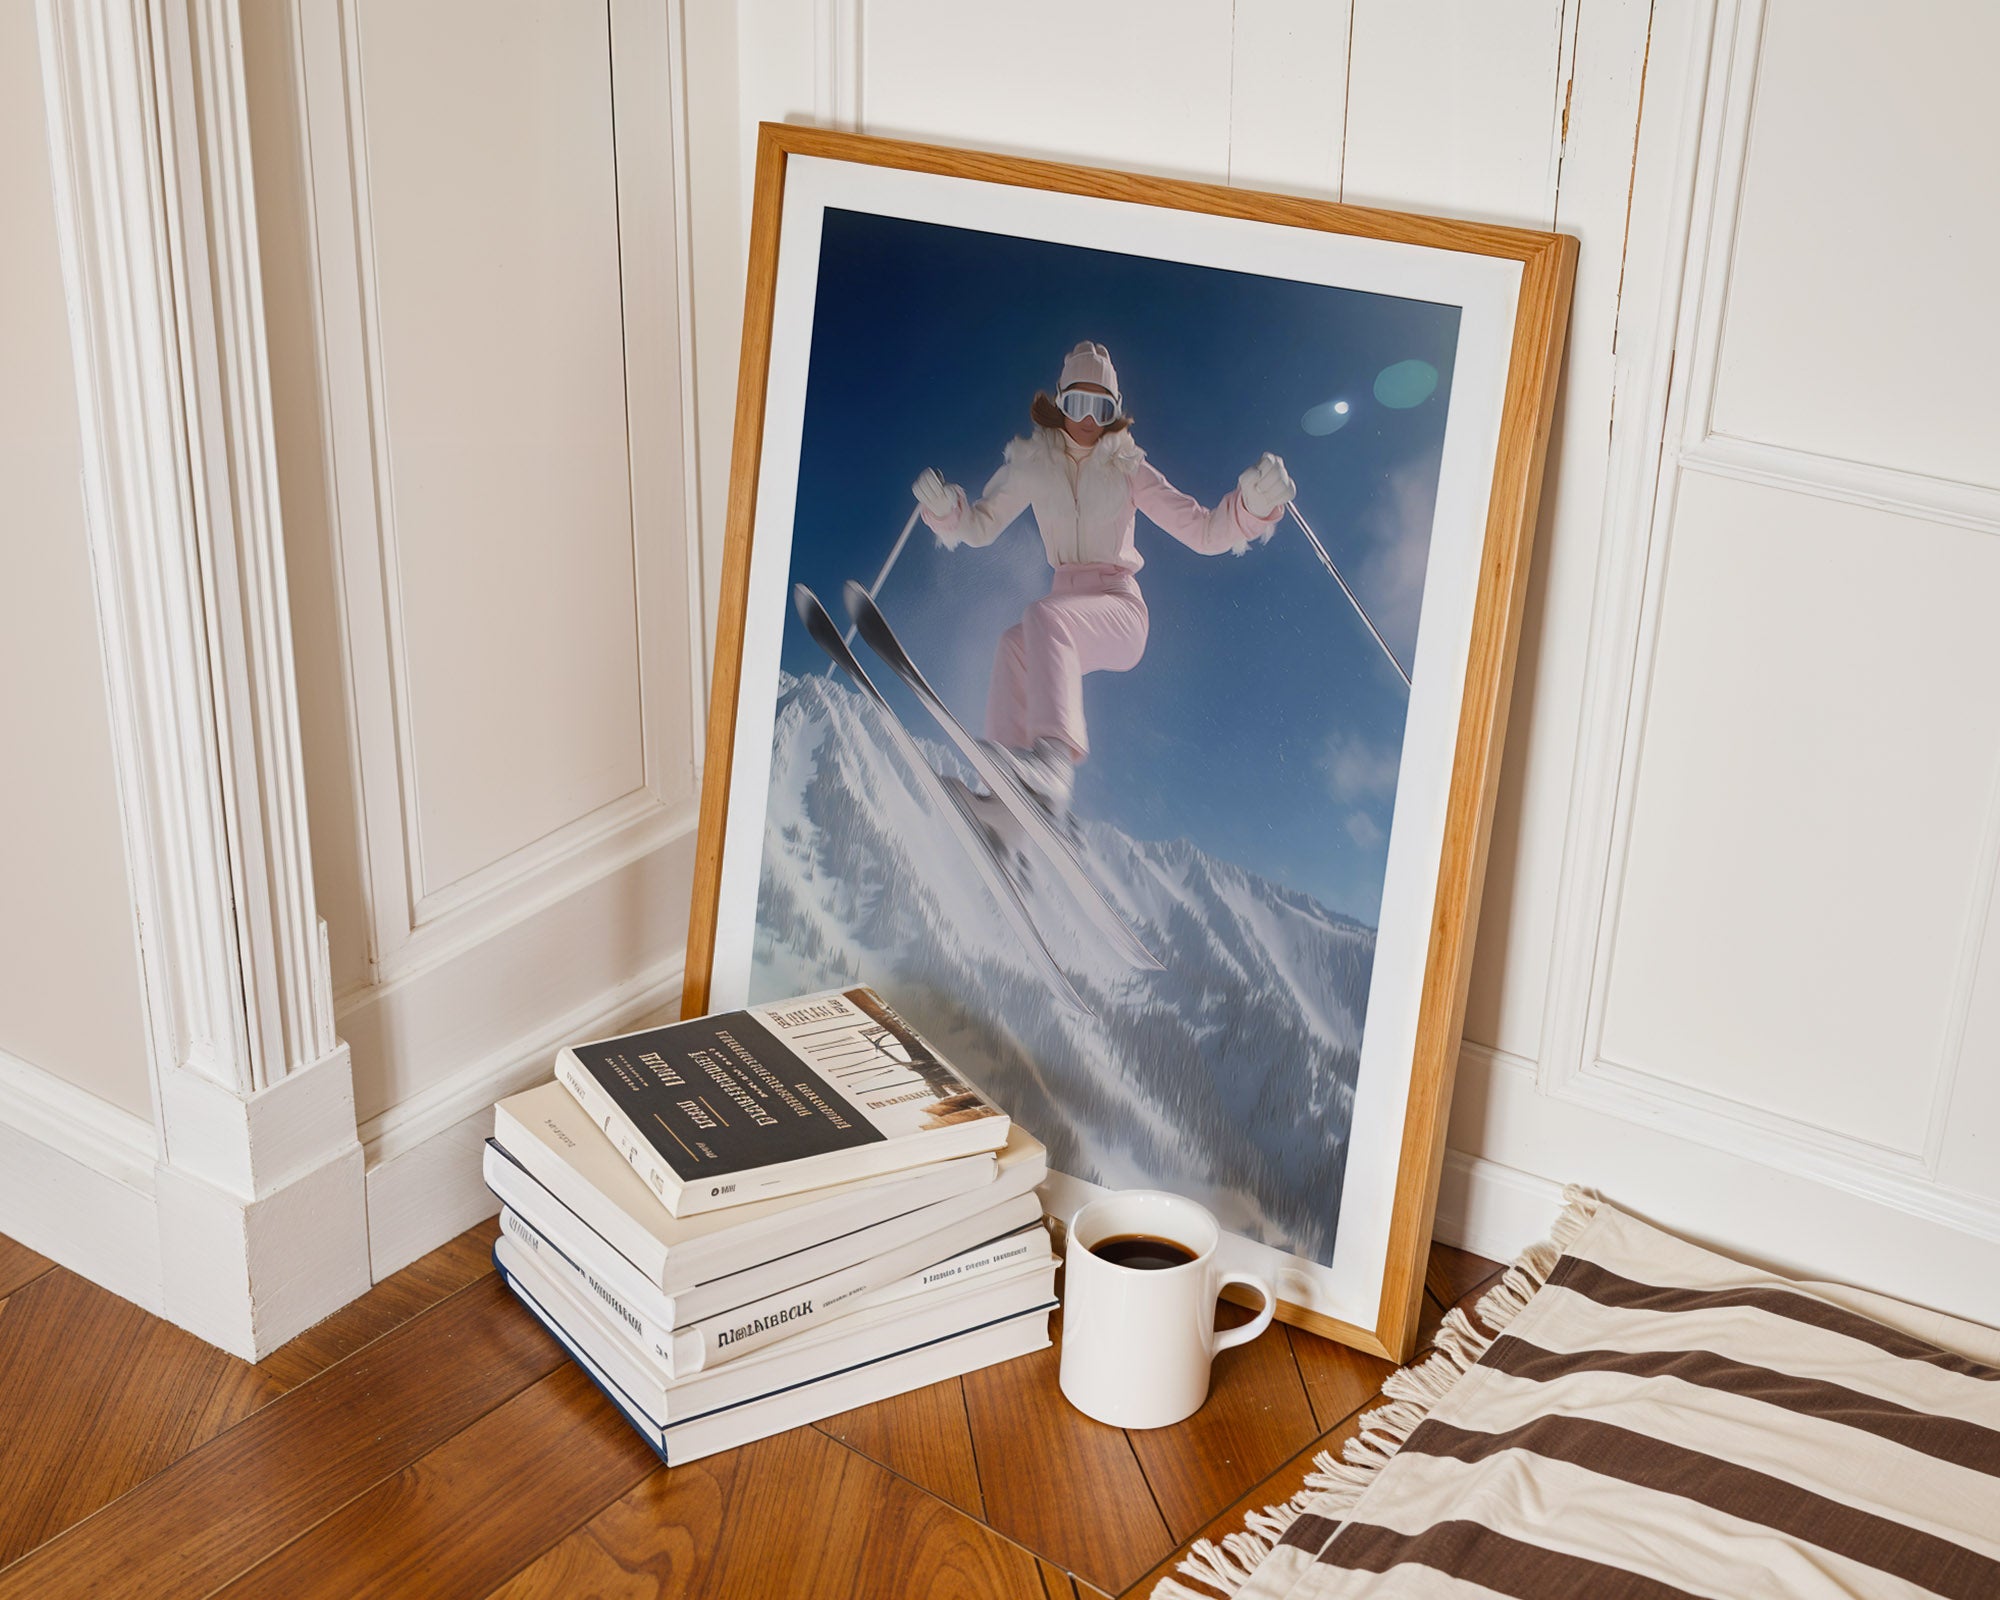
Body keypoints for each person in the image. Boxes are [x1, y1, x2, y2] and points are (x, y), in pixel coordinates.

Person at [912, 340, 1296, 822]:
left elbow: (1202, 531)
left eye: (1103, 408)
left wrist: (1252, 507)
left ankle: (1051, 768)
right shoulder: (1034, 466)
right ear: (1059, 403)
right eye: (1078, 404)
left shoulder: (1127, 467)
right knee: (1014, 645)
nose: (1089, 420)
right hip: (1065, 611)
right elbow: (980, 526)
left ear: (1116, 413)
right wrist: (946, 511)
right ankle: (1003, 811)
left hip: (1120, 610)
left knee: (1043, 618)